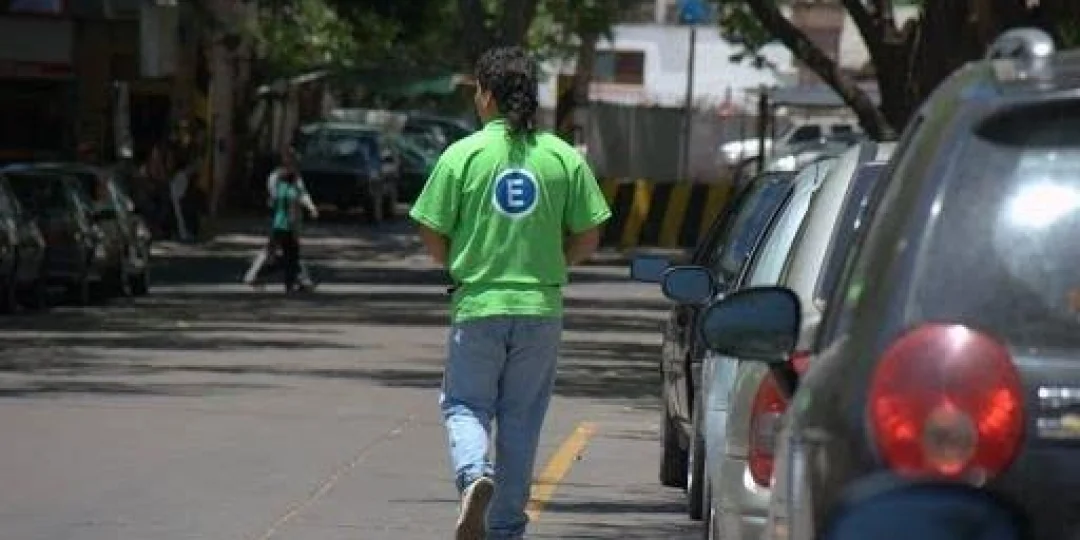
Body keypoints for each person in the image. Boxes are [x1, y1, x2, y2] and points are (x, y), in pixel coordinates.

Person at [408, 46, 612, 540]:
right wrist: (552, 264)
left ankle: (473, 474)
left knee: (465, 405)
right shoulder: (561, 157)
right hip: (541, 308)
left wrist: (458, 264)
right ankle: (505, 530)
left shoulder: (463, 155)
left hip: (478, 303)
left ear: (486, 95)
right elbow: (590, 235)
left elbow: (430, 228)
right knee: (521, 420)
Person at [242, 147, 318, 289]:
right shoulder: (277, 178)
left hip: (288, 221)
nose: (294, 167)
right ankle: (253, 276)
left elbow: (302, 193)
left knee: (287, 251)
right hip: (283, 221)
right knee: (282, 251)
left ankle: (300, 280)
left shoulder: (294, 178)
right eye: (292, 163)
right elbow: (279, 196)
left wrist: (310, 207)